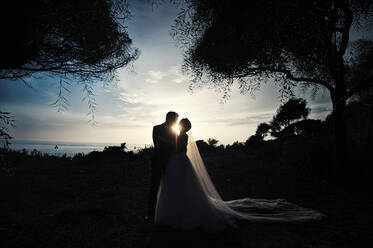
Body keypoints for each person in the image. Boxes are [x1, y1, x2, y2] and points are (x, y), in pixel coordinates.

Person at [154, 118, 325, 232]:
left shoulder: (181, 136)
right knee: (179, 187)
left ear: (184, 127)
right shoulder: (179, 135)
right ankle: (180, 209)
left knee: (183, 187)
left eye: (182, 124)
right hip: (178, 162)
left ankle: (181, 211)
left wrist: (168, 145)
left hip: (180, 161)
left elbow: (179, 149)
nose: (181, 126)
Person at [145, 111, 178, 221]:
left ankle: (166, 211)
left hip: (170, 161)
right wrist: (171, 145)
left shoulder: (174, 131)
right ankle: (150, 213)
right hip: (158, 160)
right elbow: (158, 143)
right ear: (170, 118)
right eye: (175, 119)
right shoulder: (157, 128)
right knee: (154, 186)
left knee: (168, 187)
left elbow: (175, 146)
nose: (176, 121)